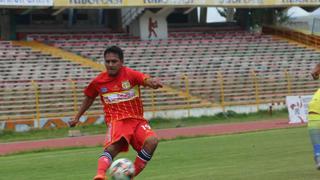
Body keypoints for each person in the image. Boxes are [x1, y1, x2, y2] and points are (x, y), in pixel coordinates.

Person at [68, 46, 163, 180]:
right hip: (117, 120)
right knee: (113, 148)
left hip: (137, 120)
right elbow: (89, 98)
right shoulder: (98, 82)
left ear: (121, 62)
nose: (110, 64)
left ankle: (129, 175)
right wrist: (77, 117)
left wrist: (152, 82)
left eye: (114, 61)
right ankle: (100, 175)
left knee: (152, 141)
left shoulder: (130, 74)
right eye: (107, 61)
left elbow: (145, 79)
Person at [308, 62, 320, 170]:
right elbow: (314, 74)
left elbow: (314, 74)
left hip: (313, 108)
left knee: (315, 134)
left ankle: (318, 156)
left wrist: (315, 73)